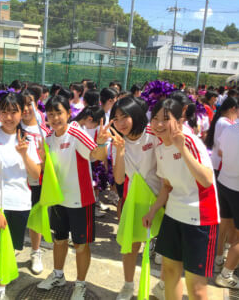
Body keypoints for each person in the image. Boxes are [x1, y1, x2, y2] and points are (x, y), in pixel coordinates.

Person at [142, 97, 219, 300]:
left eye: (166, 118)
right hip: (173, 215)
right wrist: (153, 210)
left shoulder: (189, 141)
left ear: (179, 120)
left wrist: (182, 148)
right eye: (155, 118)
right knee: (169, 272)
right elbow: (167, 185)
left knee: (196, 288)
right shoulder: (159, 149)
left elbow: (206, 180)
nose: (159, 124)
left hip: (200, 218)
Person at [37, 95, 111, 300]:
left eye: (59, 113)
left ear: (68, 114)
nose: (55, 118)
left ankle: (80, 284)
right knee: (59, 240)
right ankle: (58, 275)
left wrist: (103, 144)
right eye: (50, 114)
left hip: (80, 200)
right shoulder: (49, 139)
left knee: (81, 245)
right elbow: (47, 170)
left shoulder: (77, 133)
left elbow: (97, 155)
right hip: (58, 199)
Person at [0, 93, 42, 300]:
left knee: (7, 254)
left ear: (23, 112)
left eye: (14, 112)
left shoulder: (28, 140)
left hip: (20, 205)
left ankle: (1, 288)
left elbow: (36, 175)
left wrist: (23, 154)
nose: (9, 117)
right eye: (4, 111)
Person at [111, 96, 162, 300]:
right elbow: (117, 178)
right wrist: (120, 150)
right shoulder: (117, 141)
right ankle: (127, 285)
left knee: (165, 250)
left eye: (125, 117)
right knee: (130, 246)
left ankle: (164, 285)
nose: (120, 123)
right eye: (116, 118)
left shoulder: (153, 134)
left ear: (137, 115)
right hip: (135, 199)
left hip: (161, 199)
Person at [214, 96, 239, 289]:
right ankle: (226, 274)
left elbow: (221, 152)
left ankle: (218, 260)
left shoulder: (231, 129)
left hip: (224, 182)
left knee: (226, 224)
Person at [21, 90, 49, 274]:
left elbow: (48, 164)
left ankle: (35, 252)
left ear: (37, 105)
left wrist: (44, 158)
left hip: (36, 182)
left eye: (29, 104)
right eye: (21, 105)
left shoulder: (44, 132)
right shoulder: (10, 126)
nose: (25, 109)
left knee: (35, 220)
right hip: (13, 183)